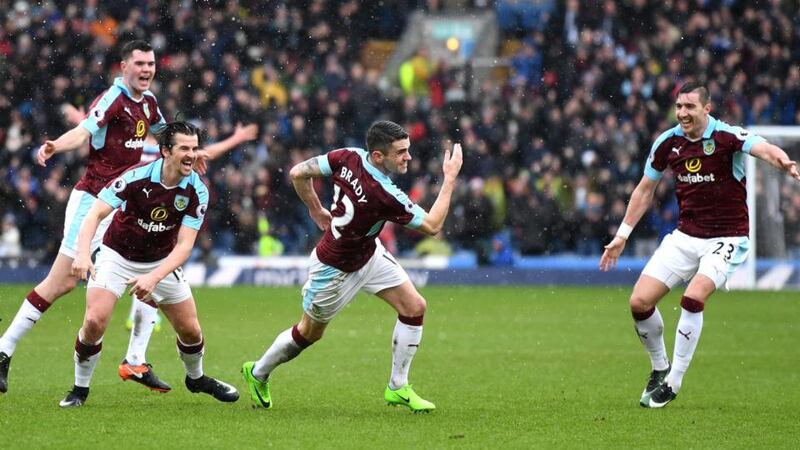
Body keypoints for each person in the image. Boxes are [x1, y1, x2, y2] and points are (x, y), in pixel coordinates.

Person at [599, 82, 800, 408]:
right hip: (685, 237)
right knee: (638, 302)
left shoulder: (727, 137)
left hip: (728, 238)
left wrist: (783, 161)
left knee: (693, 297)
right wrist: (622, 235)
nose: (682, 113)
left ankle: (673, 383)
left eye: (690, 107)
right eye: (679, 106)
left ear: (707, 108)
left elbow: (764, 148)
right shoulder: (668, 142)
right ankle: (659, 367)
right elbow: (644, 189)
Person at [241, 120, 463, 412]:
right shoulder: (382, 194)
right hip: (334, 269)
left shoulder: (349, 155)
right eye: (401, 152)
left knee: (414, 307)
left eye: (407, 150)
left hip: (368, 254)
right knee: (309, 333)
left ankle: (398, 387)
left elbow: (298, 173)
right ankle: (257, 372)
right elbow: (433, 225)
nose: (408, 157)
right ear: (379, 156)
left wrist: (315, 209)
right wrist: (449, 179)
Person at [0, 40, 173, 394]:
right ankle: (3, 350)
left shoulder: (150, 103)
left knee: (150, 269)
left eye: (151, 64)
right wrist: (55, 146)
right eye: (139, 63)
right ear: (123, 66)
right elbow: (82, 133)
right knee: (60, 283)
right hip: (93, 200)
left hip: (125, 202)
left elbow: (166, 136)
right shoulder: (113, 99)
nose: (146, 70)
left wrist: (191, 151)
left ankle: (135, 360)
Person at [61, 121, 239, 407]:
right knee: (94, 321)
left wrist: (155, 276)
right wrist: (82, 254)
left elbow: (184, 246)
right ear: (166, 151)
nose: (192, 155)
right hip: (116, 255)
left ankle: (196, 379)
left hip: (161, 261)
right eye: (184, 148)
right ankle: (79, 390)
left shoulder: (197, 190)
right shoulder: (135, 177)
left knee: (191, 331)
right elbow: (94, 214)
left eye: (195, 148)